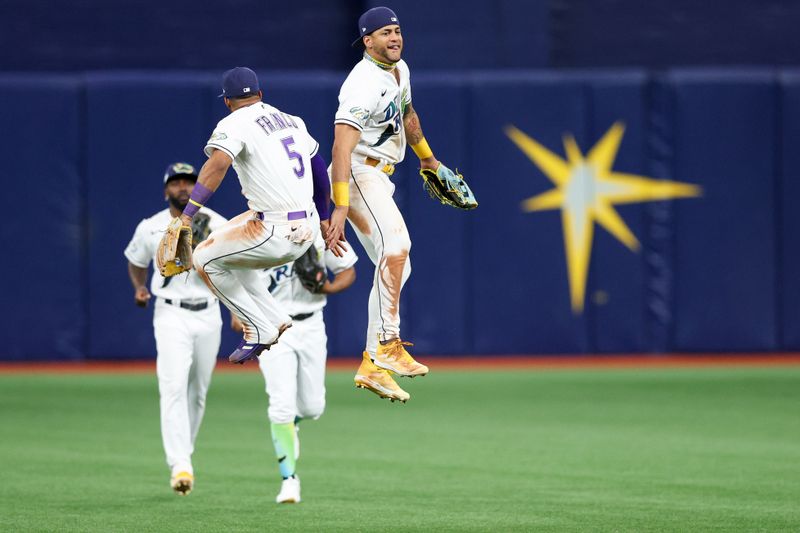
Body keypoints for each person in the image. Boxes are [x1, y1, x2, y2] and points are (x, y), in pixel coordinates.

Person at [326, 6, 459, 402]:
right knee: (397, 248)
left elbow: (407, 113)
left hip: (381, 175)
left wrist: (428, 158)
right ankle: (387, 344)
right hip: (356, 174)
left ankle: (372, 365)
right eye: (385, 32)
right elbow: (341, 144)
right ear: (368, 41)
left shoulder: (399, 70)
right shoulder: (361, 83)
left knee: (400, 265)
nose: (395, 38)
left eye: (397, 30)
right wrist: (338, 204)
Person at [175, 66, 336, 365]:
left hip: (276, 231)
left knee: (204, 259)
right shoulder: (293, 121)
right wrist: (325, 217)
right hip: (308, 225)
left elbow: (218, 164)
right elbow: (318, 168)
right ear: (261, 94)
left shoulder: (234, 122)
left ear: (226, 100)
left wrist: (187, 215)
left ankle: (257, 328)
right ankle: (274, 317)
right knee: (224, 250)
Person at [124, 162, 228, 495]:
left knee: (198, 391)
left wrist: (238, 309)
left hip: (209, 313)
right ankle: (180, 464)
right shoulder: (151, 227)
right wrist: (140, 288)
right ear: (166, 189)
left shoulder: (218, 224)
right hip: (170, 314)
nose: (183, 187)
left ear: (200, 186)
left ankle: (185, 454)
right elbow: (136, 261)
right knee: (172, 387)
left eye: (189, 182)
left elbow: (235, 268)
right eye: (177, 182)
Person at [233, 234, 357, 503]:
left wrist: (329, 288)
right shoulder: (257, 238)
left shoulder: (319, 233)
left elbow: (348, 271)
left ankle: (290, 425)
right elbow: (237, 296)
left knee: (313, 407)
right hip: (273, 328)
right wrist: (242, 317)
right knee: (281, 406)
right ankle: (289, 479)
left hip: (312, 324)